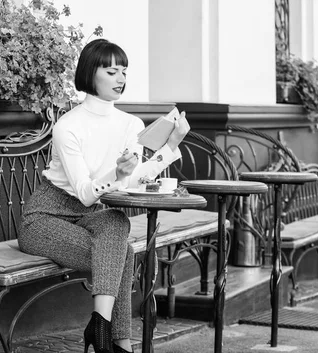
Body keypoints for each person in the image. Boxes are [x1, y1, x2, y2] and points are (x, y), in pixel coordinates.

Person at [18, 38, 190, 353]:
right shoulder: (68, 126)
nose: (121, 79)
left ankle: (100, 328)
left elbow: (131, 181)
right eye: (112, 72)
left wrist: (171, 145)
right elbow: (85, 193)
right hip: (44, 218)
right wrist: (115, 174)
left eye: (124, 71)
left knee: (115, 222)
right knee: (122, 254)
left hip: (91, 216)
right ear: (90, 74)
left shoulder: (130, 124)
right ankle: (119, 343)